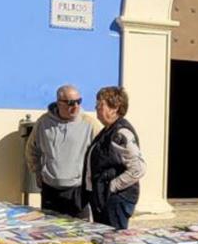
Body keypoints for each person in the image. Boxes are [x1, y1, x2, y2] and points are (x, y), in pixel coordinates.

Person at [25, 84, 99, 218]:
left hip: (77, 190)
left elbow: (102, 154)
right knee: (48, 231)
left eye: (79, 101)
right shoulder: (44, 123)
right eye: (71, 103)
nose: (75, 106)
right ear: (59, 103)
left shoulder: (89, 124)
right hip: (50, 190)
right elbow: (31, 148)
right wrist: (36, 170)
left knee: (78, 232)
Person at [84, 86, 145, 229]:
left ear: (115, 108)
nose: (96, 107)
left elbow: (139, 168)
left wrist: (112, 186)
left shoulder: (121, 133)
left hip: (116, 200)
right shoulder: (107, 130)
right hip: (104, 198)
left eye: (101, 104)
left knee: (114, 240)